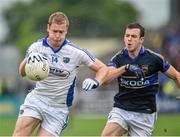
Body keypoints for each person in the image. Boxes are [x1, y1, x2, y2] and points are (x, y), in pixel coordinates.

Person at [13, 11, 108, 137]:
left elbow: (103, 68)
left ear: (66, 30)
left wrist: (96, 81)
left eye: (61, 32)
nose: (57, 35)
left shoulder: (76, 52)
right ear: (48, 28)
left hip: (58, 108)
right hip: (37, 100)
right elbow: (21, 73)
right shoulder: (36, 47)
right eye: (54, 31)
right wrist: (29, 60)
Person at [101, 22, 180, 136]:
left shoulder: (154, 58)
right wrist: (125, 68)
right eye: (127, 36)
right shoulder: (118, 58)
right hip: (122, 109)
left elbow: (176, 75)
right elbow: (106, 78)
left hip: (145, 114)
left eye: (133, 36)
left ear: (141, 40)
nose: (129, 39)